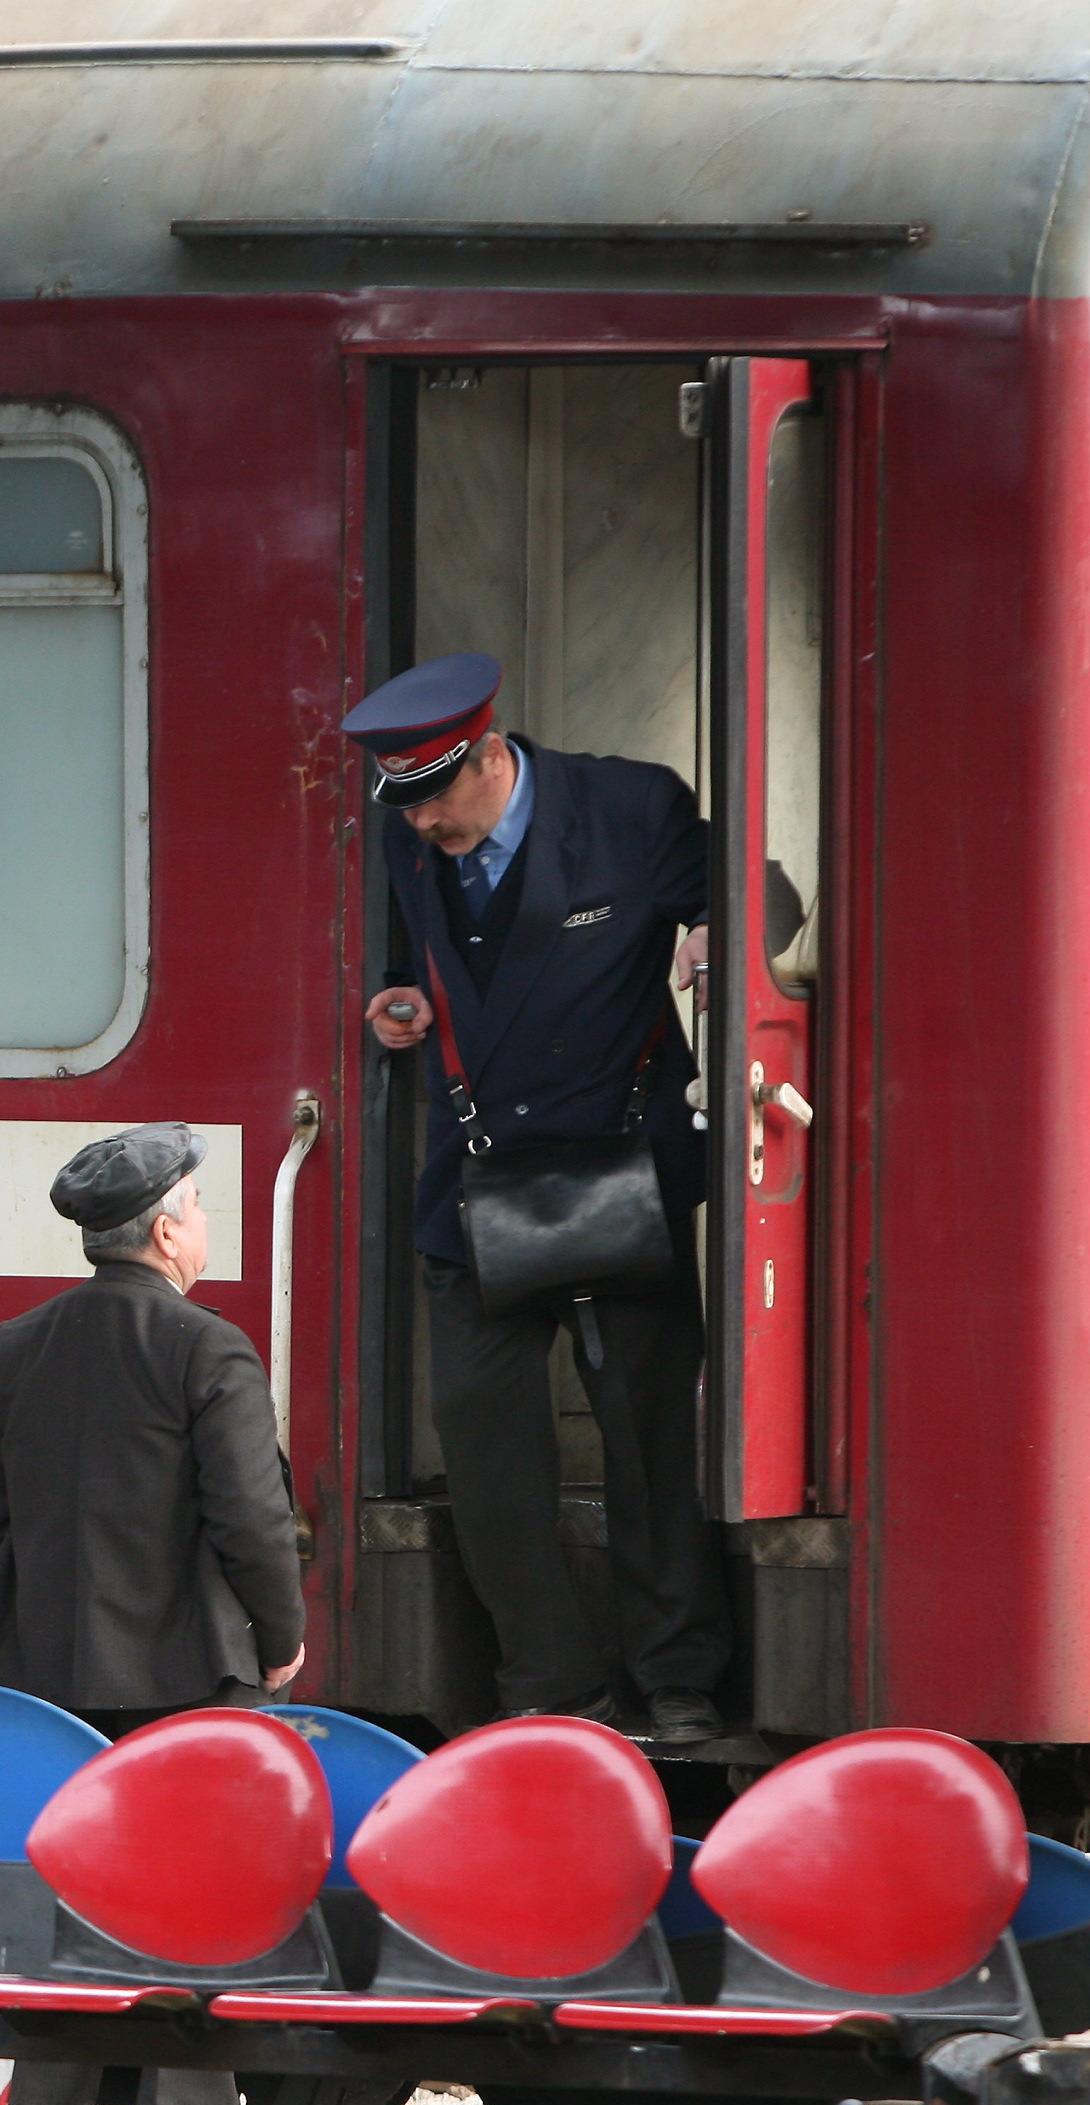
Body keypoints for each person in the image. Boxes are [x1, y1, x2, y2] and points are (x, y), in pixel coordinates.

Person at [346, 652, 731, 1746]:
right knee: (486, 1454)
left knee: (651, 1443)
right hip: (478, 1185)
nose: (421, 827)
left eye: (435, 800)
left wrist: (718, 936)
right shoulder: (410, 837)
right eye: (404, 806)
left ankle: (678, 1680)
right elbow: (415, 960)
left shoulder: (630, 807)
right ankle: (555, 1684)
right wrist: (399, 1000)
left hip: (619, 1174)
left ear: (490, 753)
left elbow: (765, 897)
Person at [0, 1125, 304, 2105]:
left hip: (49, 1667)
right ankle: (187, 2104)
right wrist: (279, 1638)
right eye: (198, 1211)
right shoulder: (206, 1346)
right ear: (164, 1231)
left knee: (74, 1867)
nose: (204, 1229)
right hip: (187, 1666)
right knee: (195, 1872)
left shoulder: (19, 1342)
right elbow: (252, 1517)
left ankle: (53, 2101)